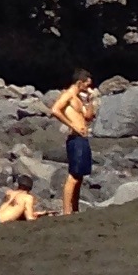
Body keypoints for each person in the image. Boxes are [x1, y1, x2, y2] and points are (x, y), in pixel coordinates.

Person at [50, 72, 97, 215]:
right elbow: (55, 110)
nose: (88, 87)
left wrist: (90, 100)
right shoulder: (68, 95)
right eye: (87, 85)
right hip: (75, 138)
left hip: (83, 138)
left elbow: (88, 117)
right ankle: (66, 211)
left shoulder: (78, 99)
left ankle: (75, 208)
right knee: (73, 175)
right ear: (79, 83)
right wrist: (72, 125)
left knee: (80, 175)